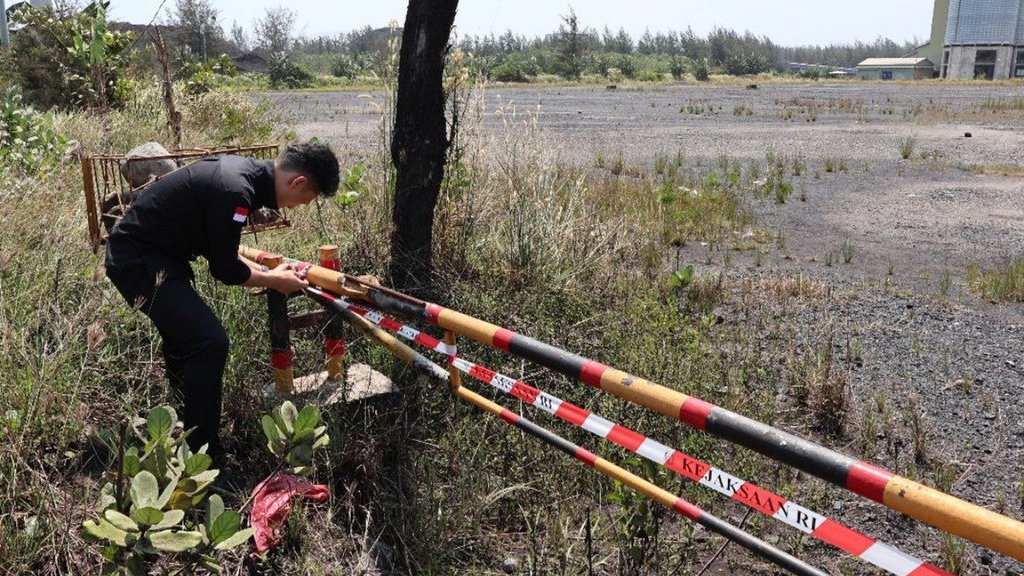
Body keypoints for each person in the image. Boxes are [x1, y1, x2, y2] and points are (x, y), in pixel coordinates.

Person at [104, 141, 340, 456]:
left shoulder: (242, 176)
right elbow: (225, 269)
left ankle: (182, 424)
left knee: (185, 341)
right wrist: (274, 280)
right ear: (298, 182)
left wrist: (267, 272)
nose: (297, 206)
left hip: (158, 257)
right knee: (209, 342)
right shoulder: (236, 192)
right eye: (304, 200)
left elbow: (219, 249)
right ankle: (204, 453)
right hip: (138, 262)